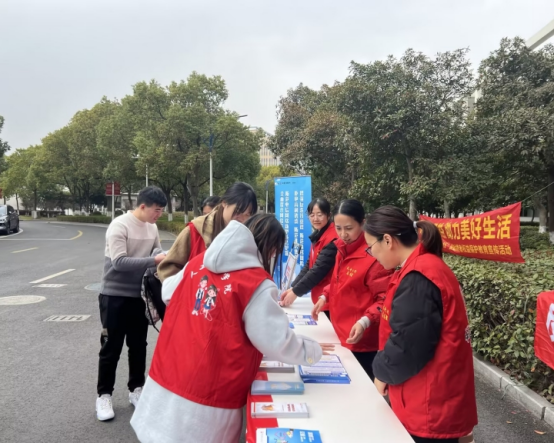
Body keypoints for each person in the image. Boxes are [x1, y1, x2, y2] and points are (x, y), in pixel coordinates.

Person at [130, 214, 333, 443]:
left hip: (169, 372)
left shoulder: (199, 261)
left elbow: (168, 292)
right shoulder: (255, 282)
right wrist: (312, 350)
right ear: (270, 247)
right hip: (209, 392)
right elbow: (276, 341)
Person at [364, 206, 477, 443]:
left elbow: (408, 345)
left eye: (370, 247)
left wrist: (382, 373)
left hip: (428, 405)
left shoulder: (419, 277)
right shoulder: (421, 267)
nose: (371, 254)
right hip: (430, 398)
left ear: (388, 240)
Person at [96, 186, 168, 421]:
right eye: (156, 210)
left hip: (140, 296)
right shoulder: (120, 225)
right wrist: (154, 259)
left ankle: (136, 389)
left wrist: (163, 255)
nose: (159, 215)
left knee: (138, 346)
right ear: (143, 206)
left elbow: (156, 250)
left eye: (162, 211)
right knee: (111, 347)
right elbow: (119, 262)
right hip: (114, 295)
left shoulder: (152, 227)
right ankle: (104, 395)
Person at [311, 200, 392, 380]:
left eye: (348, 228)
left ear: (362, 223)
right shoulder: (342, 247)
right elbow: (339, 281)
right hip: (340, 333)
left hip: (362, 341)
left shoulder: (375, 255)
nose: (343, 234)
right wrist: (325, 295)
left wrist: (365, 321)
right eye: (338, 228)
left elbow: (385, 299)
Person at [157, 182, 257, 282]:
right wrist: (188, 288)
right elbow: (167, 269)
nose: (242, 218)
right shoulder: (195, 230)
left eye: (247, 214)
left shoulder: (250, 236)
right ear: (224, 203)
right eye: (238, 211)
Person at [280, 198, 337, 314]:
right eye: (312, 215)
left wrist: (295, 292)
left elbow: (318, 270)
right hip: (320, 298)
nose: (315, 219)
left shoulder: (332, 238)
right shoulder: (319, 234)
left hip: (329, 299)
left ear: (329, 215)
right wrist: (293, 287)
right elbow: (309, 265)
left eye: (320, 215)